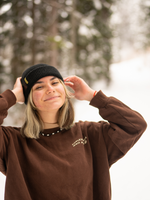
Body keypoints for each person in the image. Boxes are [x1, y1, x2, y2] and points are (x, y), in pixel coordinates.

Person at [0, 64, 147, 200]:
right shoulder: (12, 142)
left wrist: (93, 96)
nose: (50, 89)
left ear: (64, 89)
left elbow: (135, 125)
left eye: (55, 82)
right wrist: (12, 96)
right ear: (28, 98)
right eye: (39, 87)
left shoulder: (91, 135)